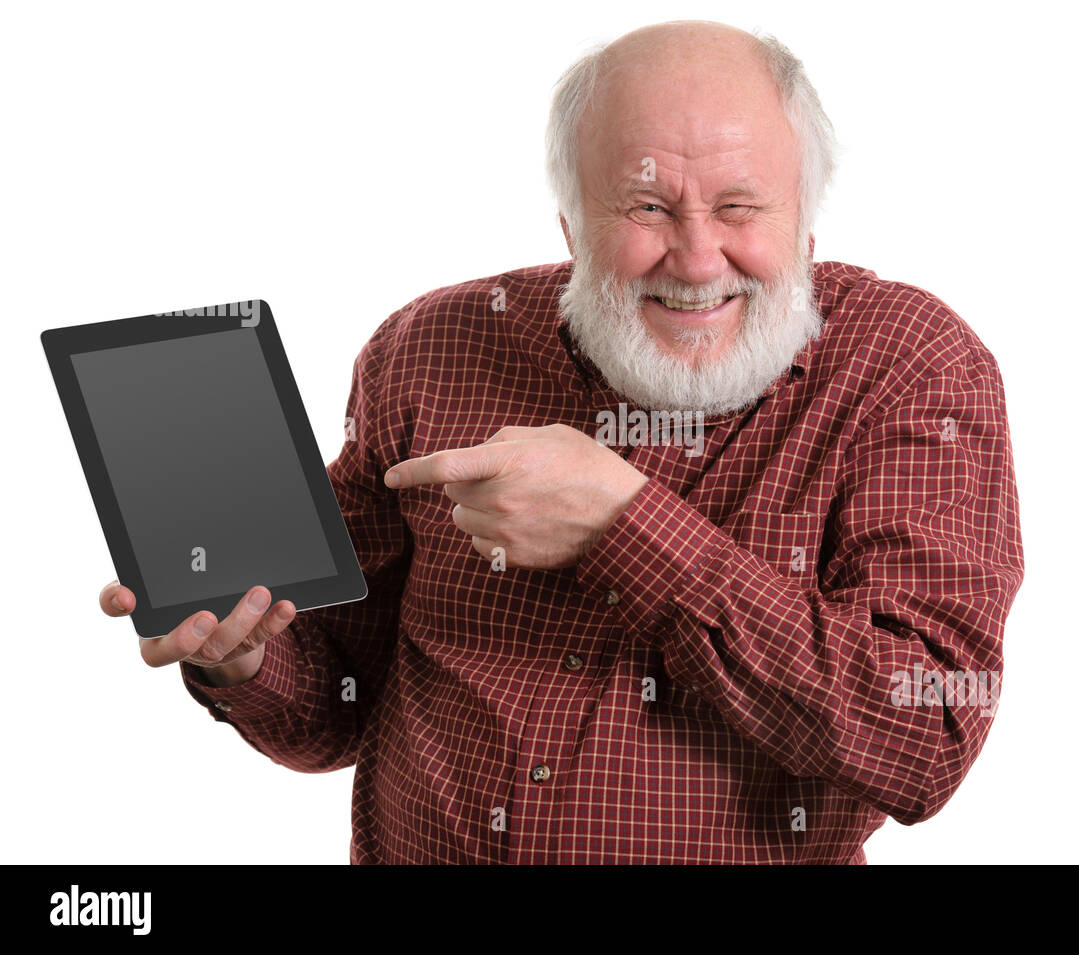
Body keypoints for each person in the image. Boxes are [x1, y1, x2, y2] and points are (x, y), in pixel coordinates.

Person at [100, 20, 1024, 864]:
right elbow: (341, 703)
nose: (698, 259)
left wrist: (624, 525)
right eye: (647, 208)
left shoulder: (911, 365)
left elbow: (929, 736)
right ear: (571, 226)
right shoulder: (427, 347)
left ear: (806, 222)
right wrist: (246, 657)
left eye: (740, 208)